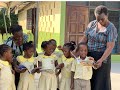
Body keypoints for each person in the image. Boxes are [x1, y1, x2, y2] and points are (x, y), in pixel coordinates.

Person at [80, 5, 118, 90]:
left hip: (102, 57)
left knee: (100, 82)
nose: (100, 21)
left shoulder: (111, 28)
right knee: (88, 79)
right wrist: (77, 49)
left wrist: (101, 60)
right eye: (98, 19)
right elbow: (84, 38)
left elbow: (110, 47)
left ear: (107, 15)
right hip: (89, 56)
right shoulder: (92, 24)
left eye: (102, 19)